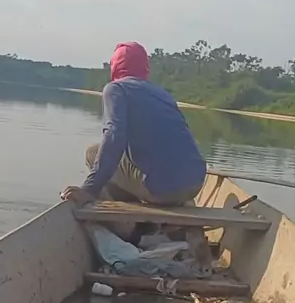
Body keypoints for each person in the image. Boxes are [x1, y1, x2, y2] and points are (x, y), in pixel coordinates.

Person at [61, 41, 207, 207]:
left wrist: (89, 189)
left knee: (93, 152)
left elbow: (113, 136)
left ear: (115, 65)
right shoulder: (163, 94)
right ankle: (170, 203)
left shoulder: (116, 89)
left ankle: (124, 215)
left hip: (161, 191)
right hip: (196, 184)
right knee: (124, 157)